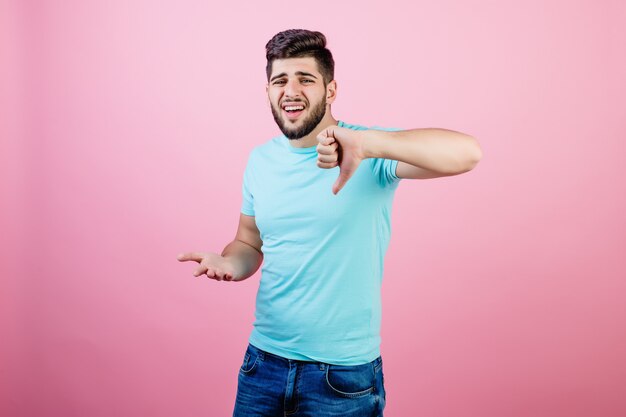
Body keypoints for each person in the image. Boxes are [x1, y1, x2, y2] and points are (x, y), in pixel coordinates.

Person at [178, 29, 482, 417]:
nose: (291, 90)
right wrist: (229, 263)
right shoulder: (260, 161)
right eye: (280, 80)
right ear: (268, 91)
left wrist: (370, 144)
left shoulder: (370, 149)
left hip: (342, 378)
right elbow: (249, 243)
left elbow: (467, 153)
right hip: (262, 366)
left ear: (331, 90)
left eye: (305, 79)